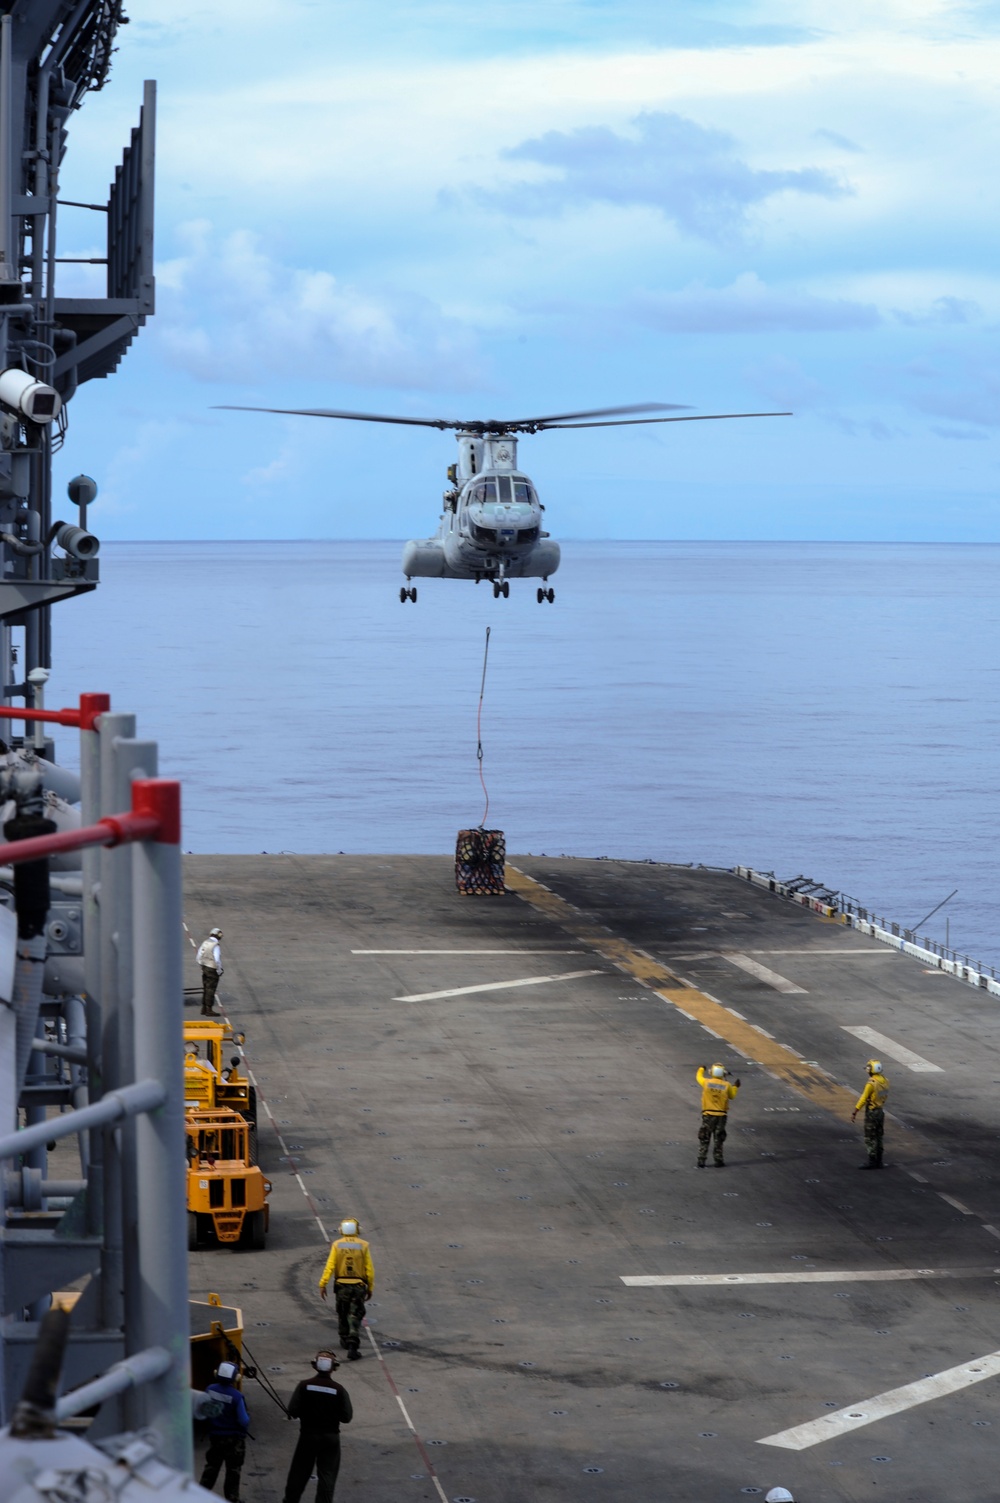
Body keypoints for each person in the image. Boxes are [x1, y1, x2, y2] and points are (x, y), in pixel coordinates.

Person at [282, 1349, 353, 1503]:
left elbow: (293, 1411)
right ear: (334, 1368)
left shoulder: (304, 1386)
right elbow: (347, 1417)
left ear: (314, 1366)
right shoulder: (339, 1390)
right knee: (327, 1476)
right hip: (330, 1439)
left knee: (298, 1473)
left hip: (308, 1437)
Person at [318, 1216, 375, 1360]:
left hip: (341, 1285)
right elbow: (369, 1270)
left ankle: (344, 1338)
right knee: (355, 1314)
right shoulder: (363, 1245)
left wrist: (323, 1284)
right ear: (357, 1230)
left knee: (342, 1311)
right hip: (358, 1286)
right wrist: (370, 1288)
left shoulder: (337, 1245)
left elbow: (330, 1266)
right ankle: (353, 1345)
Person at [199, 1359, 250, 1502]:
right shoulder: (237, 1396)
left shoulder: (210, 1389)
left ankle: (199, 1496)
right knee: (233, 1470)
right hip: (234, 1439)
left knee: (211, 1468)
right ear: (236, 1378)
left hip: (215, 1436)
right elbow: (243, 1420)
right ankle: (232, 1498)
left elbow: (205, 1409)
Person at [695, 1062, 740, 1167]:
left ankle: (701, 1160)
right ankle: (718, 1160)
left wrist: (701, 1068)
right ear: (723, 1073)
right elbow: (732, 1096)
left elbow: (698, 1077)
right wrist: (736, 1087)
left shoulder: (706, 1082)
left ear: (711, 1072)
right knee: (718, 1138)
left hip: (708, 1115)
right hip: (721, 1116)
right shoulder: (726, 1085)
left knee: (704, 1137)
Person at [852, 1058, 889, 1169]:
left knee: (870, 1137)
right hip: (880, 1111)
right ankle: (879, 1161)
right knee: (879, 1136)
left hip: (872, 1112)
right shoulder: (885, 1081)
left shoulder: (871, 1083)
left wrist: (855, 1111)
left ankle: (872, 1161)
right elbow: (884, 1095)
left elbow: (863, 1098)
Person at [197, 927, 224, 1016]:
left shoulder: (205, 942)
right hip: (212, 969)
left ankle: (203, 1008)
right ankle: (209, 1009)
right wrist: (219, 970)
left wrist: (202, 965)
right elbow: (217, 960)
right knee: (211, 989)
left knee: (205, 988)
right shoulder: (215, 945)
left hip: (204, 967)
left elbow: (198, 956)